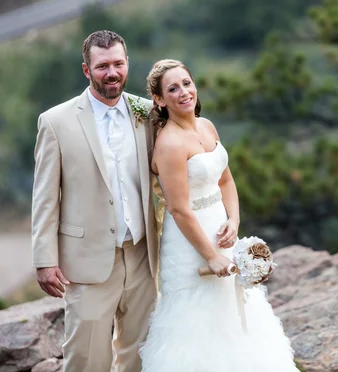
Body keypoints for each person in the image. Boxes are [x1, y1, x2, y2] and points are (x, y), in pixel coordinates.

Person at [139, 59, 299, 371]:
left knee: (233, 310)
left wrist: (234, 220)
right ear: (159, 100)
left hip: (222, 231)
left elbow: (225, 179)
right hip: (190, 243)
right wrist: (210, 256)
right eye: (173, 88)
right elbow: (178, 209)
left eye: (187, 83)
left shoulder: (207, 126)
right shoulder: (169, 144)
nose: (184, 92)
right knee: (198, 321)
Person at [31, 30, 159, 372]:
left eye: (118, 63)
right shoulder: (56, 122)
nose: (112, 72)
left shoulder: (148, 113)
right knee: (86, 357)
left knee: (141, 354)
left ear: (128, 63)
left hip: (143, 255)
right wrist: (45, 259)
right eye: (103, 66)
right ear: (87, 70)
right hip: (86, 260)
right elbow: (45, 197)